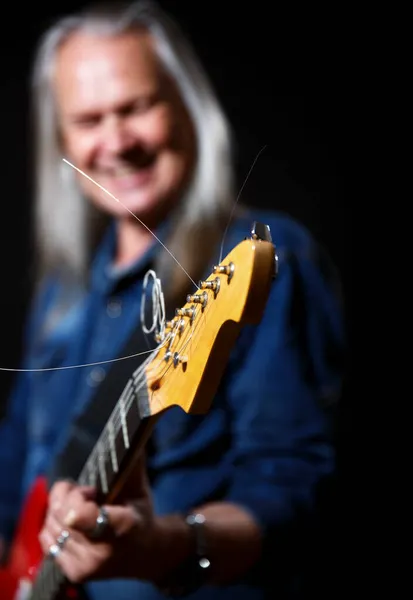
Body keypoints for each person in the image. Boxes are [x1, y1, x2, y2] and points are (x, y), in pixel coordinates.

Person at [0, 1, 345, 599]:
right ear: (61, 139)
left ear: (187, 108)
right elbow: (13, 486)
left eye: (137, 107)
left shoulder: (263, 259)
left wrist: (169, 545)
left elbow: (293, 494)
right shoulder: (62, 294)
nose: (117, 141)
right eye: (88, 120)